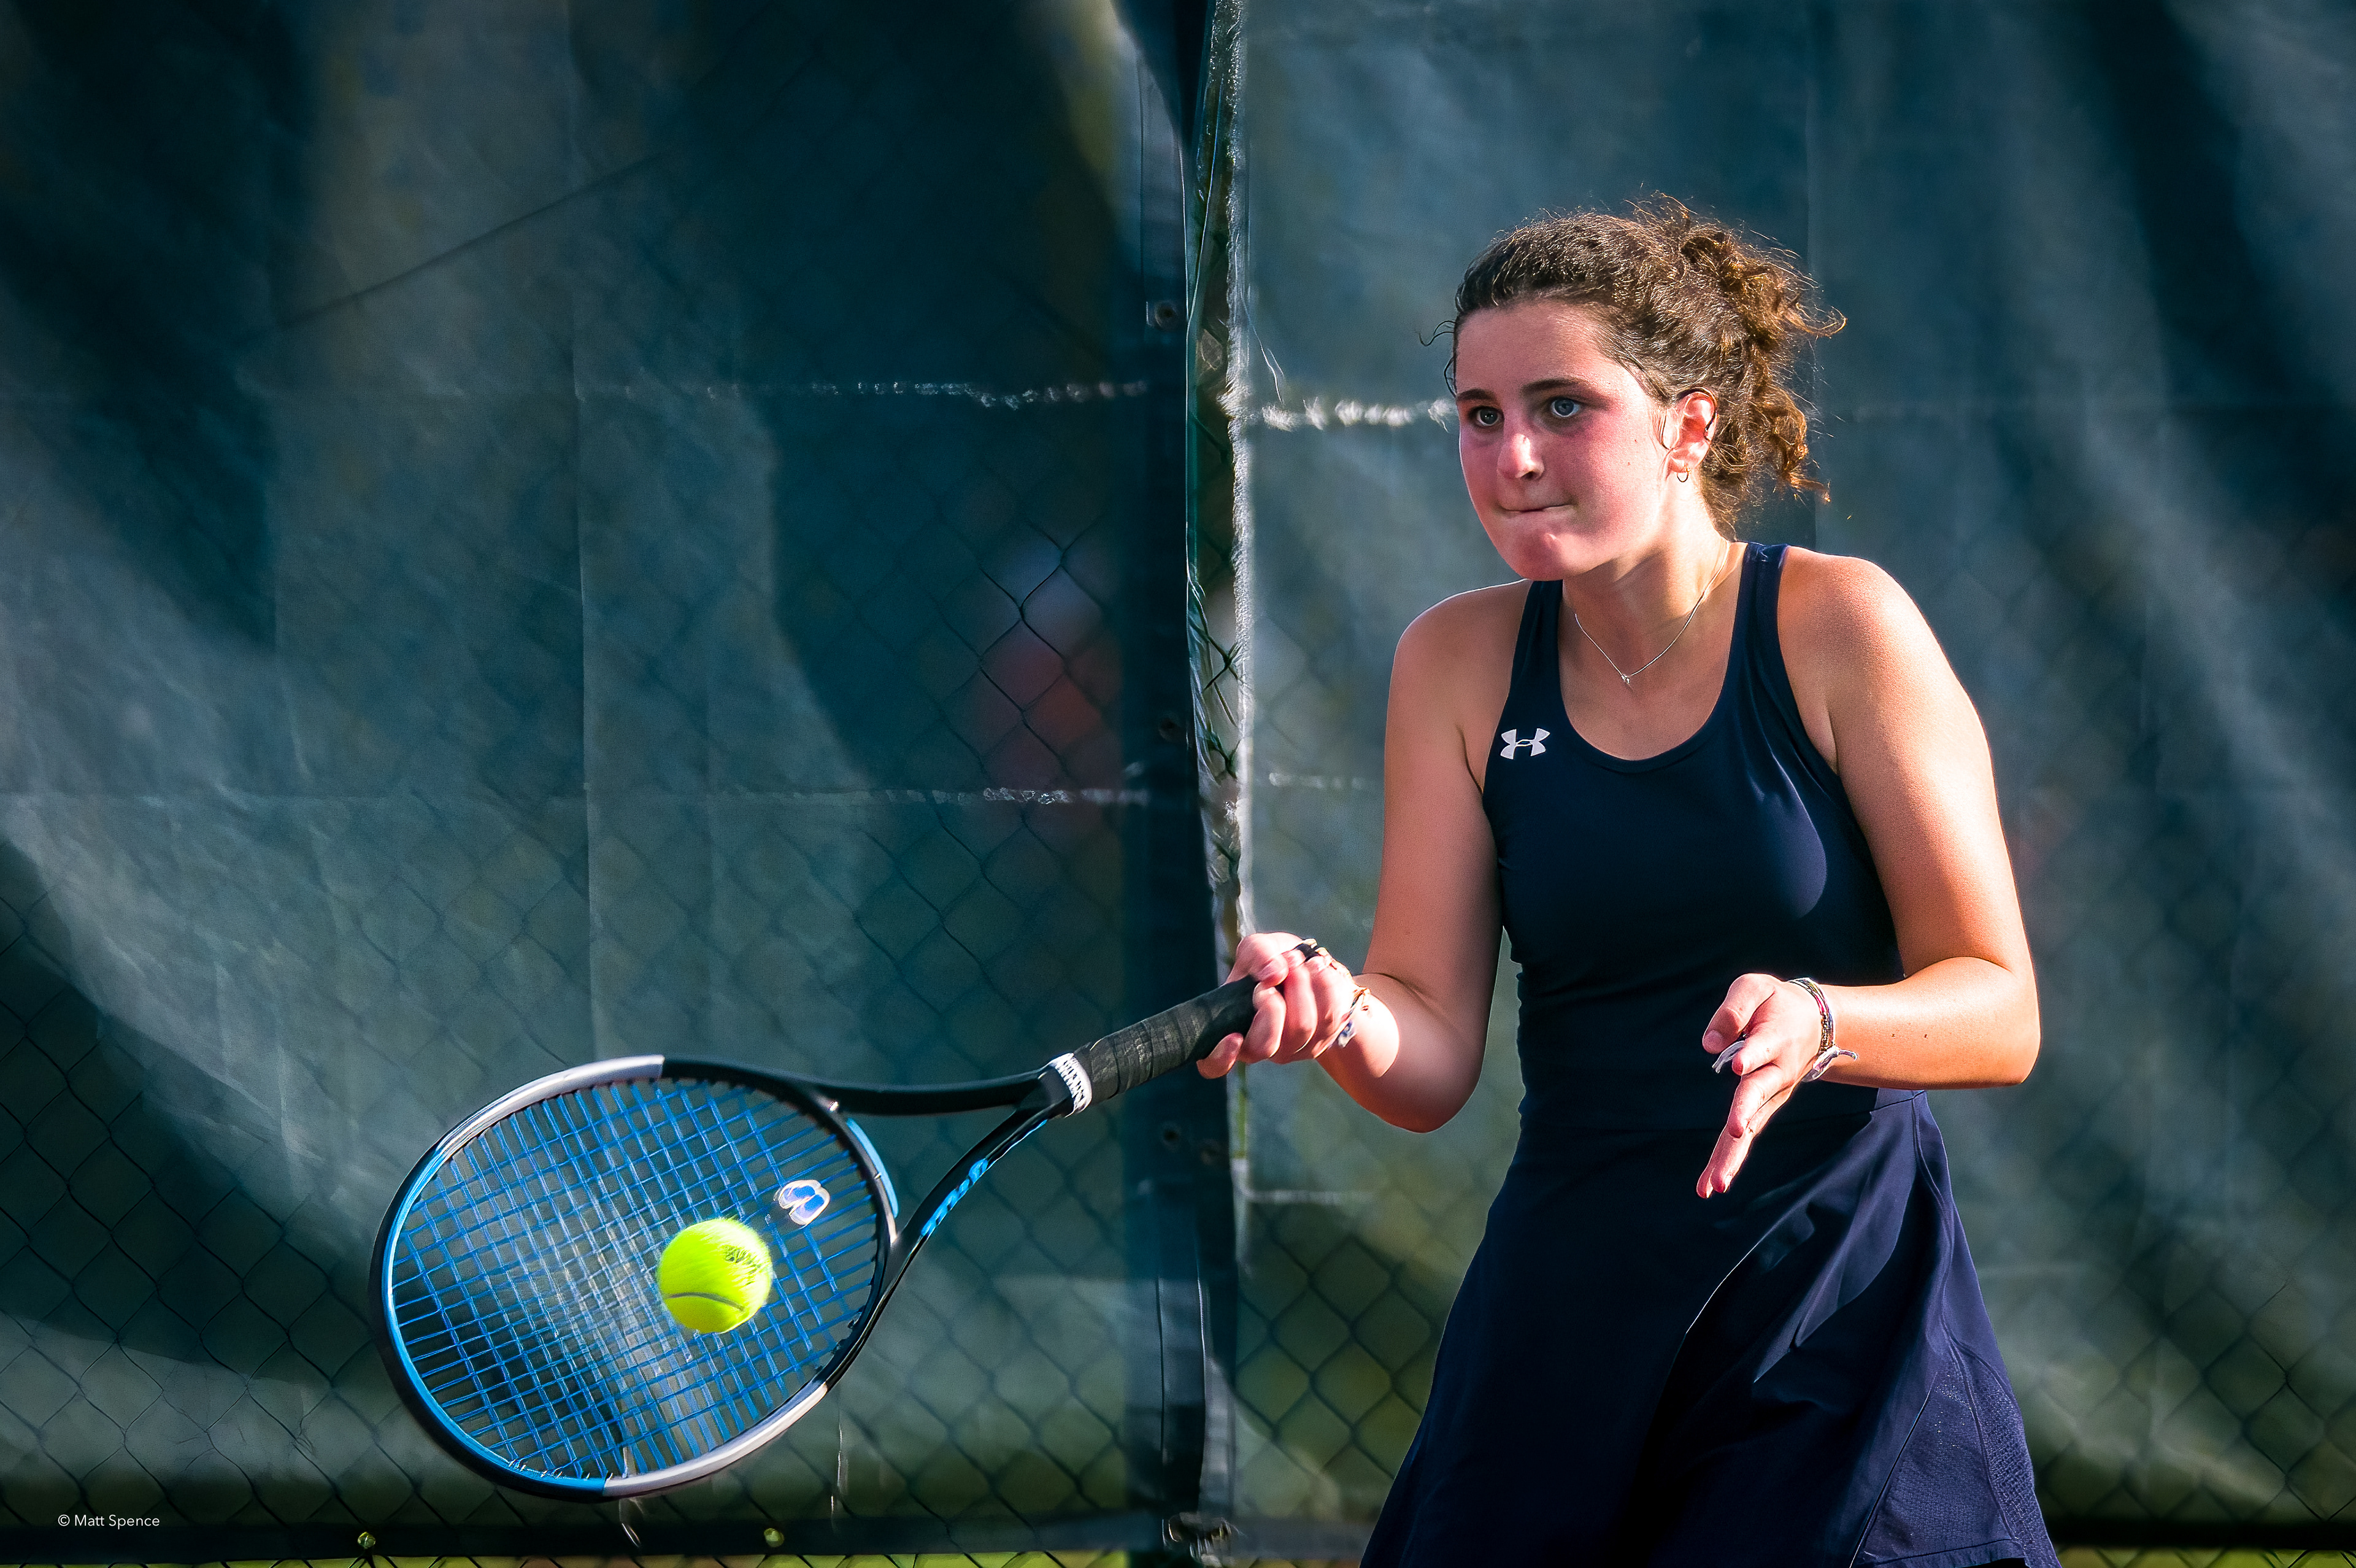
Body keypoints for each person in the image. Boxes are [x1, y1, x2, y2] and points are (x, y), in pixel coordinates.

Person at [1198, 199, 2060, 1566]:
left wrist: (1822, 1019)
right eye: (1479, 415)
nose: (1514, 456)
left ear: (1687, 426)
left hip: (1830, 1316)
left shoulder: (1842, 625)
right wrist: (1341, 1011)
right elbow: (1429, 1050)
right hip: (1563, 1309)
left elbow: (1999, 1007)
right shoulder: (1454, 662)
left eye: (1563, 407)